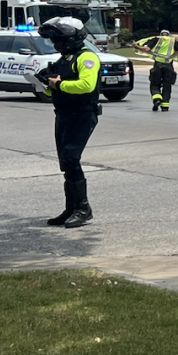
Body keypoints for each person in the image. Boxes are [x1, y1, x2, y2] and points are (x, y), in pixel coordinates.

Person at [38, 16, 102, 229]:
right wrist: (45, 84)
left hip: (82, 114)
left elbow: (86, 85)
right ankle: (71, 208)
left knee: (72, 158)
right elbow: (52, 90)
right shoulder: (63, 60)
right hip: (63, 114)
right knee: (66, 162)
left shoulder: (87, 58)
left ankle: (83, 209)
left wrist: (60, 84)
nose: (57, 44)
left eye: (60, 40)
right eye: (55, 41)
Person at [137, 28, 178, 111]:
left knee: (154, 84)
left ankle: (157, 99)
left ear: (161, 34)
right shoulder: (173, 40)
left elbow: (147, 49)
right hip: (169, 66)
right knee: (167, 86)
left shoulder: (156, 39)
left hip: (158, 65)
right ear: (168, 34)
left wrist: (137, 46)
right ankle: (165, 106)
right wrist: (171, 56)